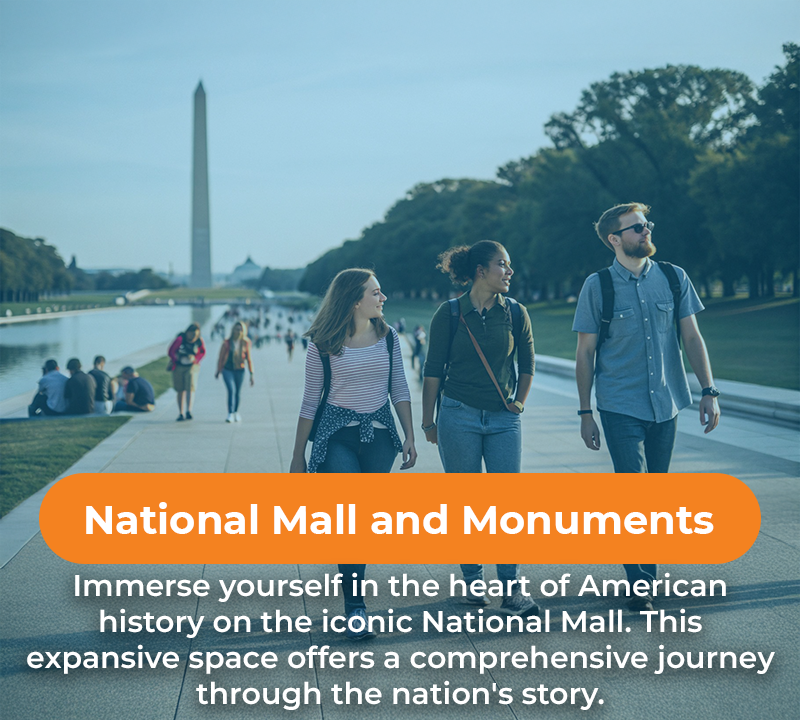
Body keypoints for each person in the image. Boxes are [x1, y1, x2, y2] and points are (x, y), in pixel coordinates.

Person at [573, 202, 721, 612]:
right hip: (620, 404)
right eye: (637, 227)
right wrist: (585, 412)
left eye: (646, 224)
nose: (646, 231)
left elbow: (692, 337)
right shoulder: (598, 286)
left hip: (666, 403)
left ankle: (646, 578)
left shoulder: (673, 277)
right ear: (614, 239)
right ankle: (641, 585)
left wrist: (709, 390)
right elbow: (585, 353)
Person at [290, 268, 417, 640]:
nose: (383, 298)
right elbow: (309, 401)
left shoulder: (389, 337)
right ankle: (356, 609)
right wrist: (298, 457)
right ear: (354, 300)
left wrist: (409, 435)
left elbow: (399, 387)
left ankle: (352, 585)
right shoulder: (322, 344)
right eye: (375, 293)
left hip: (379, 438)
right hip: (336, 438)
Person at [420, 240, 538, 617]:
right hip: (458, 415)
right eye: (502, 264)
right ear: (480, 271)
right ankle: (473, 580)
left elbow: (528, 363)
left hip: (503, 418)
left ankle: (512, 589)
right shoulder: (450, 313)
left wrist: (519, 402)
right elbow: (433, 370)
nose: (509, 271)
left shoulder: (515, 312)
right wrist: (428, 421)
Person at [215, 321, 254, 422]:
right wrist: (218, 370)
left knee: (237, 392)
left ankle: (236, 412)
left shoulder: (245, 342)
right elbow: (221, 358)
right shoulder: (226, 343)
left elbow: (249, 359)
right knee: (231, 390)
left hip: (240, 370)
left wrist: (251, 373)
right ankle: (230, 413)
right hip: (227, 369)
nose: (239, 331)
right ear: (233, 330)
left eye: (241, 329)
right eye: (237, 329)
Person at [168, 323, 206, 421]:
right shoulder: (180, 339)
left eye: (195, 335)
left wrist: (196, 359)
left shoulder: (199, 341)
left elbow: (203, 352)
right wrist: (176, 358)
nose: (193, 337)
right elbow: (171, 351)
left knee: (190, 388)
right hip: (179, 366)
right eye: (192, 334)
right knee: (180, 389)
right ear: (187, 332)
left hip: (192, 366)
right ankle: (181, 413)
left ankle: (188, 411)